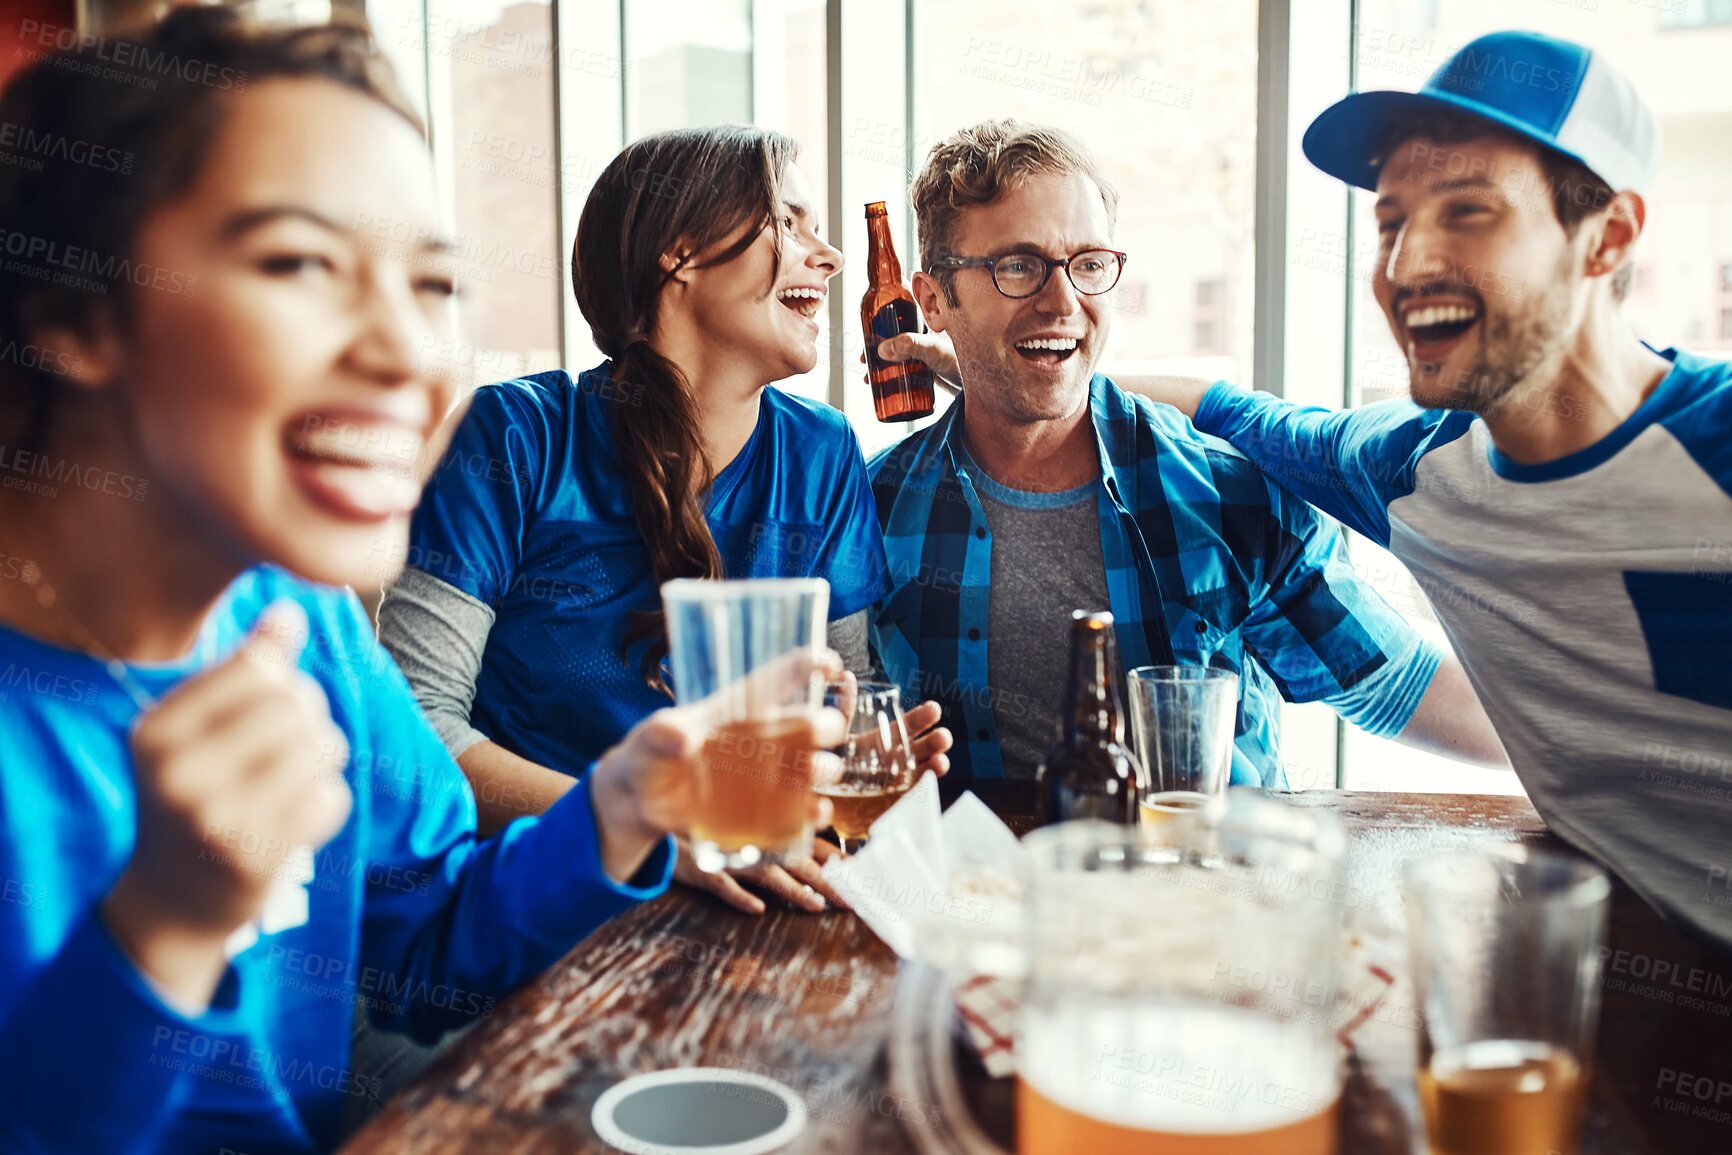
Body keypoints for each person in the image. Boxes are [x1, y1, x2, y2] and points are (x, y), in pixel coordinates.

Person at [0, 11, 843, 1153]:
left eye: (433, 283)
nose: (410, 357)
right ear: (72, 314)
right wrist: (152, 937)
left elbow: (431, 930)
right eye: (299, 263)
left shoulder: (297, 627)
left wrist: (621, 805)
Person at [1062, 33, 1732, 948]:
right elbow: (1225, 407)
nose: (1408, 265)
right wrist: (1004, 375)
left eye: (1467, 212)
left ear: (1607, 237)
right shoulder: (1408, 466)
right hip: (1608, 962)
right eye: (1390, 223)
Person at [376, 126, 951, 917]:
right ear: (677, 253)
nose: (830, 255)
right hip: (529, 910)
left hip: (740, 906)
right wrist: (649, 824)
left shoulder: (821, 453)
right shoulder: (513, 438)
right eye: (789, 221)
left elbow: (845, 704)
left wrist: (858, 760)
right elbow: (408, 724)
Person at [868, 120, 1506, 795]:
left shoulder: (1226, 495)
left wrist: (1608, 758)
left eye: (1087, 264)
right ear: (933, 299)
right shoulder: (871, 508)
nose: (1064, 303)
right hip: (977, 894)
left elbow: (1397, 685)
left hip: (1203, 891)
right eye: (1018, 266)